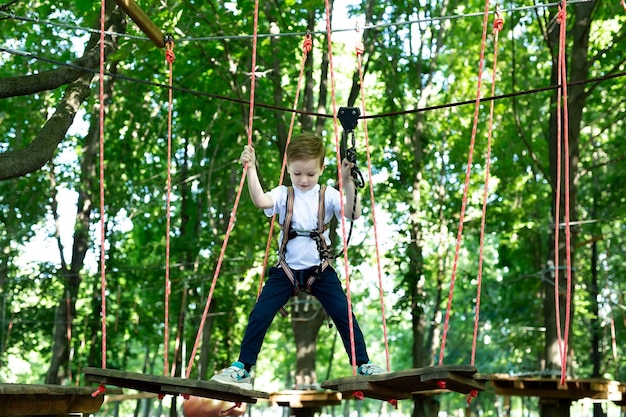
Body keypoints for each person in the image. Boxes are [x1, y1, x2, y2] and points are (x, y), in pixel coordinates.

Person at [210, 132, 385, 390]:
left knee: (343, 313)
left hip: (320, 271)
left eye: (310, 174)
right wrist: (251, 169)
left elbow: (353, 213)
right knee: (261, 312)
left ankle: (363, 363)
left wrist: (348, 182)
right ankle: (242, 367)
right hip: (287, 270)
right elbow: (261, 201)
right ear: (288, 167)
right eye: (297, 173)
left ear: (322, 169)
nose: (304, 180)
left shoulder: (328, 195)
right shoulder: (283, 194)